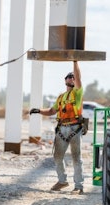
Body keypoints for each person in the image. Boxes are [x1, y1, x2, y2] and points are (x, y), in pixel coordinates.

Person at [29, 61, 84, 195]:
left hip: (74, 128)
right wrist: (39, 111)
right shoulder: (61, 97)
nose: (71, 77)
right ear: (65, 80)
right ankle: (62, 181)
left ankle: (79, 186)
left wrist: (75, 62)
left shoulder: (77, 93)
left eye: (73, 76)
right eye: (69, 76)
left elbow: (78, 75)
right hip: (62, 128)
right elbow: (52, 111)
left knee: (76, 157)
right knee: (57, 156)